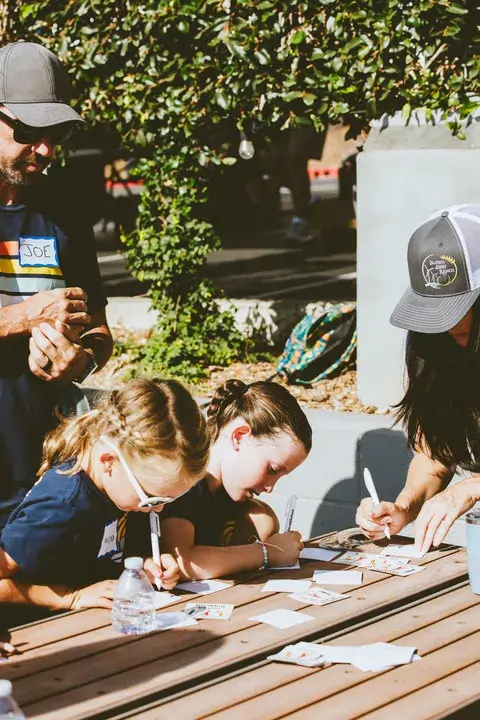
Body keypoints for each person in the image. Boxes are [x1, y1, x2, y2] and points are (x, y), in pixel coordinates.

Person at [0, 41, 113, 528]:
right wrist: (25, 316)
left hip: (43, 472)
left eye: (56, 132)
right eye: (28, 131)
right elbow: (36, 313)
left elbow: (100, 329)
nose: (45, 149)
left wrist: (82, 359)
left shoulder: (65, 209)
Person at [0, 378, 210, 612]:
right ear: (108, 461)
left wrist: (143, 566)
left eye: (169, 500)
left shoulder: (117, 488)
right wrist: (71, 598)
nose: (158, 509)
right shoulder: (61, 507)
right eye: (153, 498)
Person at [356, 204, 480, 553]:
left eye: (460, 307)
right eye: (433, 310)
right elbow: (436, 454)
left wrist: (470, 488)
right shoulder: (438, 347)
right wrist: (402, 508)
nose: (446, 324)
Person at [160, 379, 311, 579]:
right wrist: (268, 553)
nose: (270, 487)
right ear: (239, 437)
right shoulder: (186, 481)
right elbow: (185, 562)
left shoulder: (231, 499)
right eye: (273, 469)